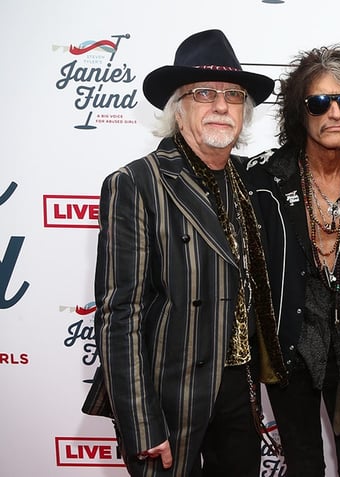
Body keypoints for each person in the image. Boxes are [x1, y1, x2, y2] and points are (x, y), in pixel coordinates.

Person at [81, 29, 286, 477]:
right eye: (204, 93)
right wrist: (140, 424)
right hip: (170, 393)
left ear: (244, 114)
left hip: (240, 388)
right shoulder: (136, 183)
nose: (220, 105)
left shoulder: (250, 180)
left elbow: (314, 169)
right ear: (178, 108)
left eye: (233, 96)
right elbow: (121, 316)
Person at [243, 45, 340, 477]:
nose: (334, 113)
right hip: (290, 347)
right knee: (304, 465)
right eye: (319, 102)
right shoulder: (263, 180)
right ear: (300, 111)